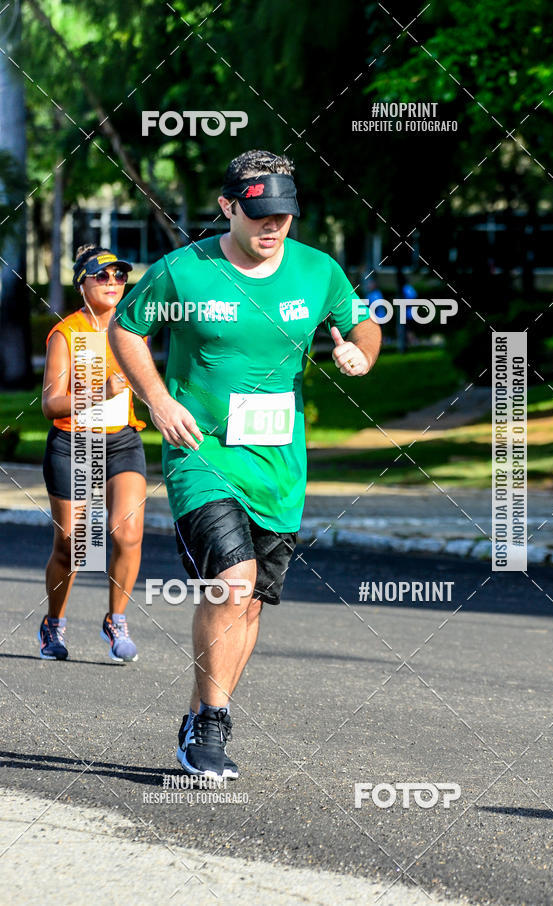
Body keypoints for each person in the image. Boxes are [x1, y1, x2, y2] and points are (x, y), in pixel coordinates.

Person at [109, 150, 382, 780]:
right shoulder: (184, 272)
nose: (272, 227)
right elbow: (127, 329)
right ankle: (207, 728)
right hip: (200, 452)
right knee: (230, 583)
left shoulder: (318, 271)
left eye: (284, 216)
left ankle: (209, 713)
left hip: (278, 465)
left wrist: (360, 356)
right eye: (259, 214)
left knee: (252, 599)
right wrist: (157, 399)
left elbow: (361, 323)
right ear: (228, 206)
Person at [40, 244, 147, 662]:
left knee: (128, 533)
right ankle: (53, 624)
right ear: (82, 284)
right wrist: (100, 392)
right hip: (73, 444)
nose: (112, 282)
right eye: (100, 276)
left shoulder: (131, 330)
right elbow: (51, 404)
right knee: (72, 545)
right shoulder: (66, 333)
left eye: (118, 275)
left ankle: (115, 620)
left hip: (121, 440)